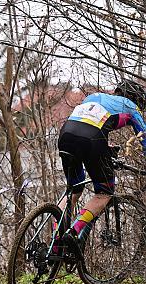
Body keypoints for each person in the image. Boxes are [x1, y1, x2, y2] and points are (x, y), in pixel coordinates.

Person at [57, 80, 146, 254]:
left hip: (66, 133)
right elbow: (144, 138)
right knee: (104, 193)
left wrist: (105, 147)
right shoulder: (131, 107)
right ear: (136, 99)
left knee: (74, 189)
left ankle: (57, 238)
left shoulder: (94, 96)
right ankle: (74, 231)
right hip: (91, 139)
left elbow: (89, 123)